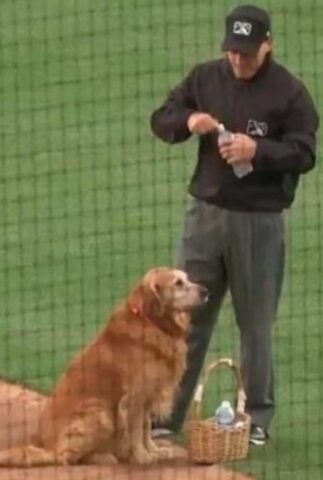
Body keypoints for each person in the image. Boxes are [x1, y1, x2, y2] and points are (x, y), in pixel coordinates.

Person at [150, 4, 319, 446]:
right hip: (203, 218)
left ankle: (257, 417)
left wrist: (256, 150)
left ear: (268, 45)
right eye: (233, 52)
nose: (238, 61)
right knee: (186, 316)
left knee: (255, 324)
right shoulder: (205, 78)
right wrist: (188, 120)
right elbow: (161, 118)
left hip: (259, 223)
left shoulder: (289, 94)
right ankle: (167, 415)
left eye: (248, 52)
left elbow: (304, 154)